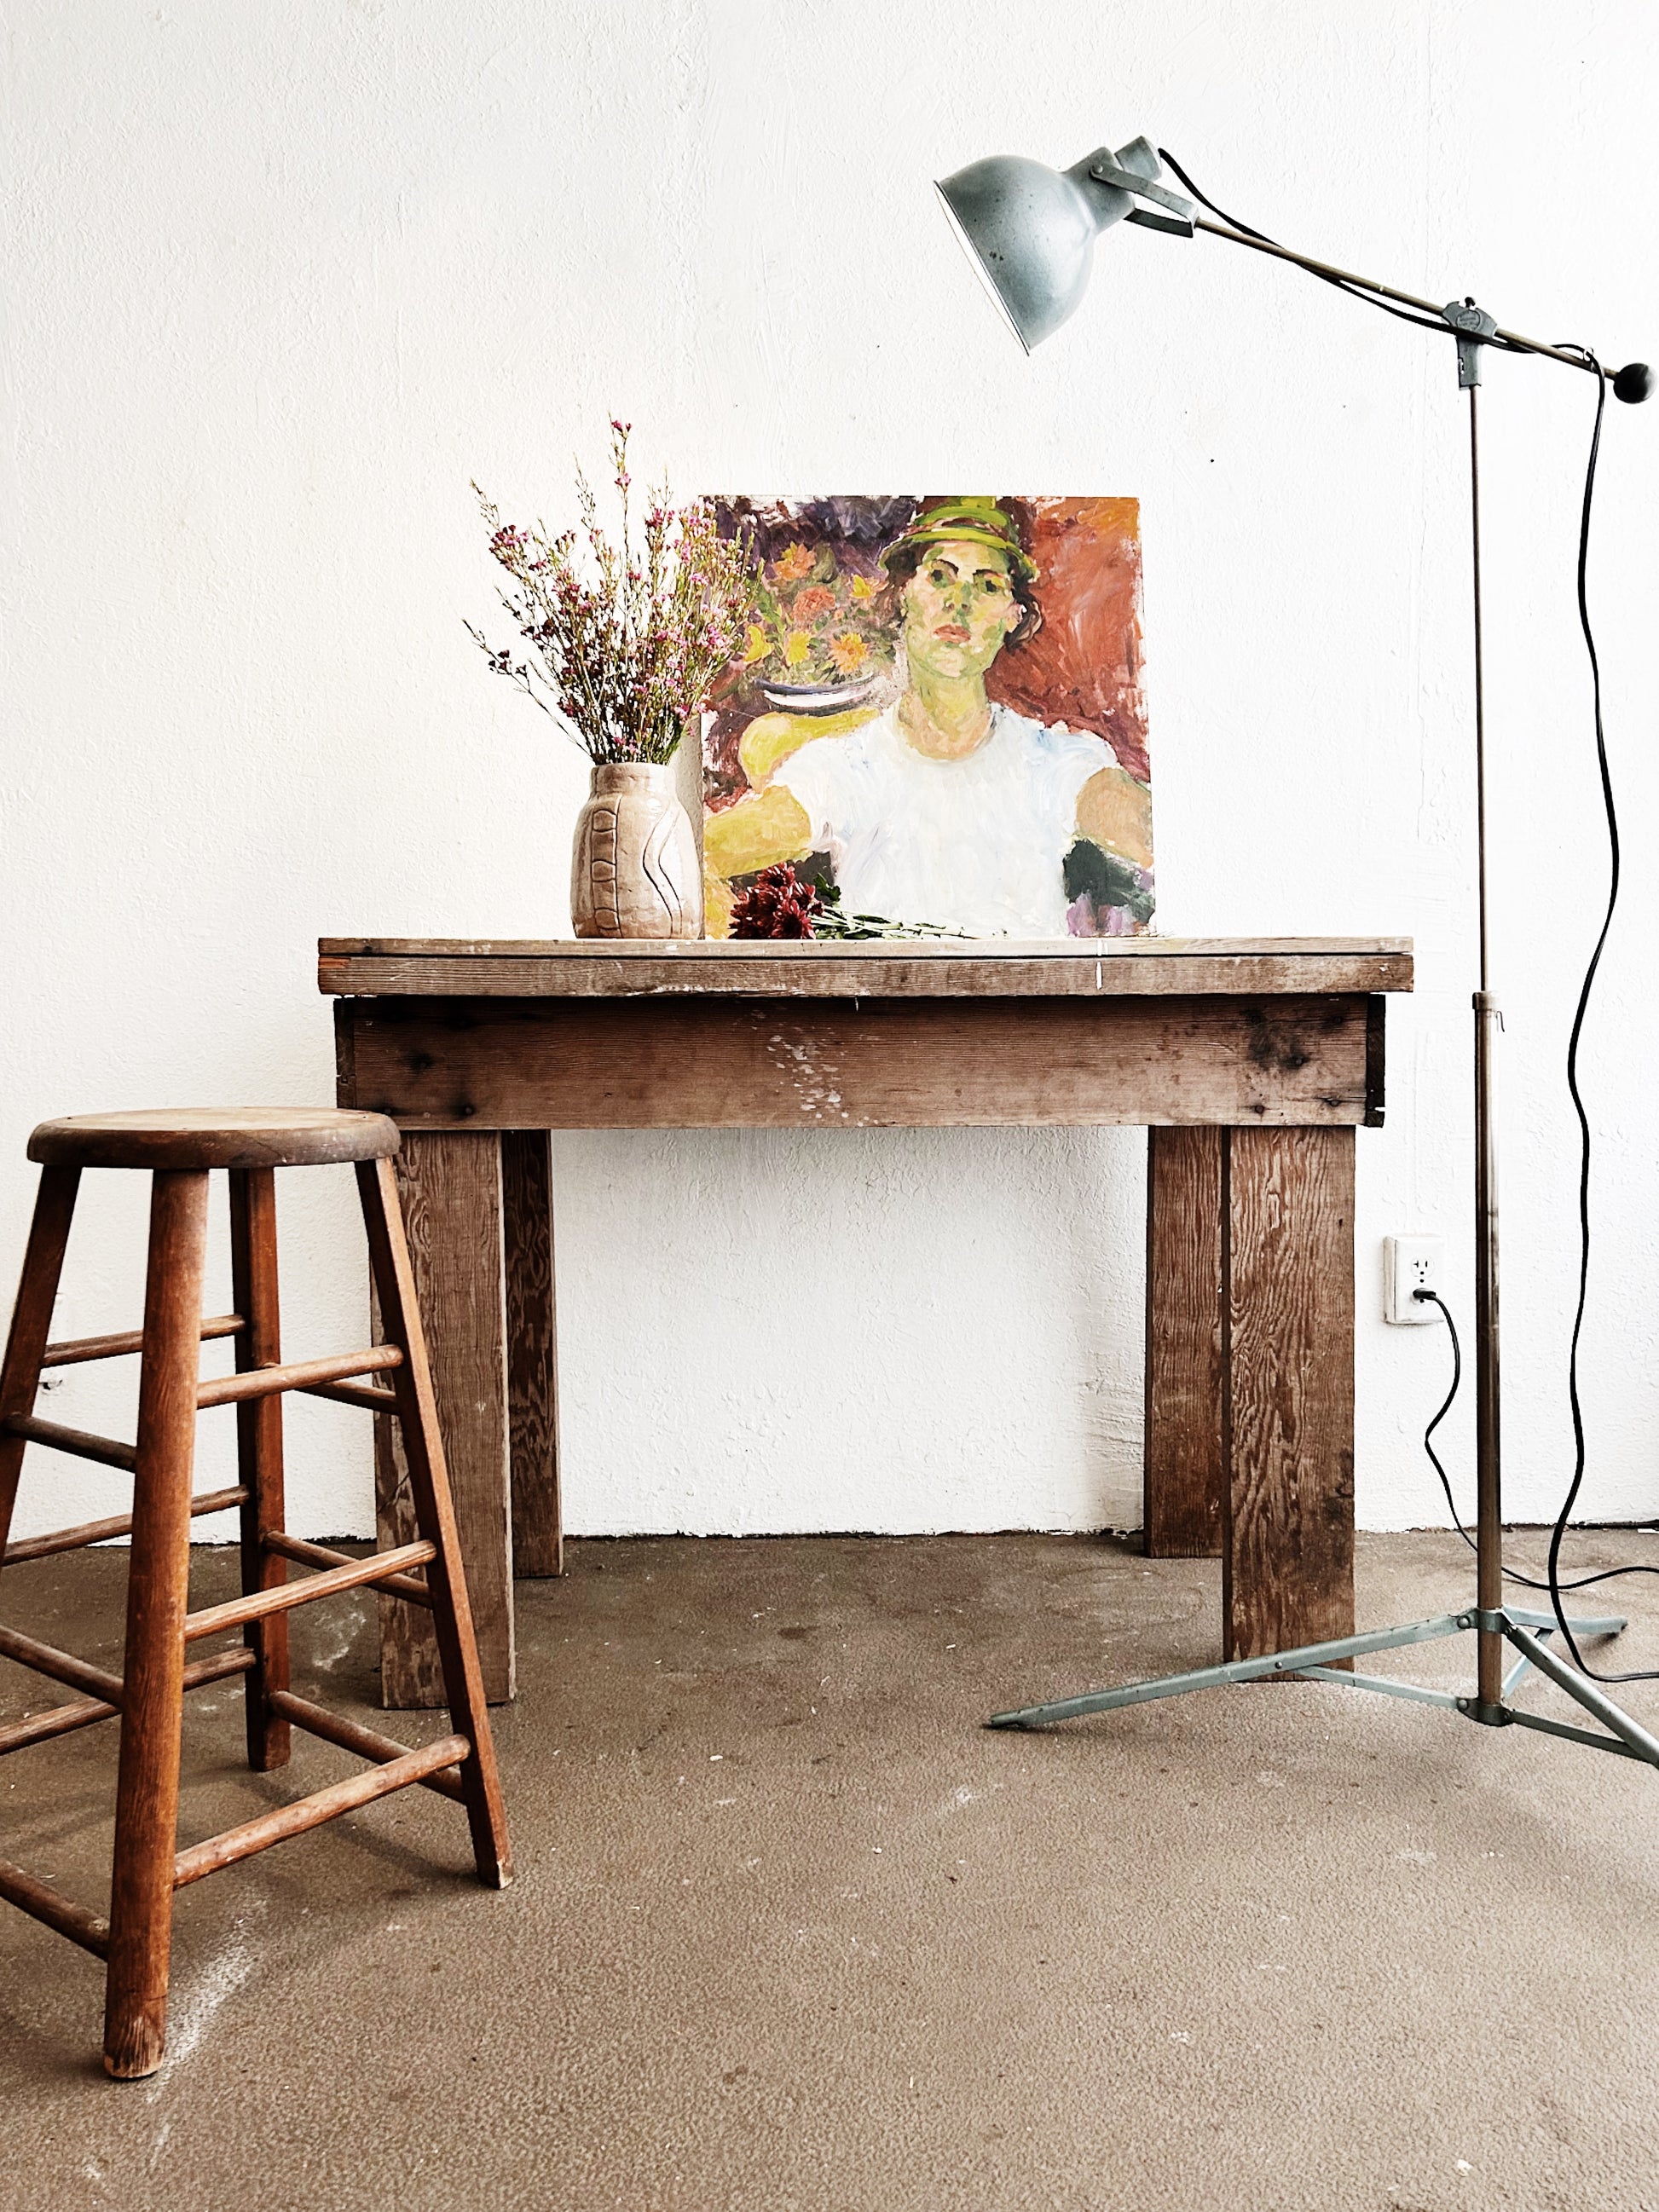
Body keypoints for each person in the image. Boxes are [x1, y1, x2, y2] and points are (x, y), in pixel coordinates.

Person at [704, 498, 1153, 937]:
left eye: (987, 585)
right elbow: (700, 854)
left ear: (1013, 617)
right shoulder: (850, 767)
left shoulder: (1050, 761)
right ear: (904, 595)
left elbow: (1160, 835)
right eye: (940, 577)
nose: (960, 601)